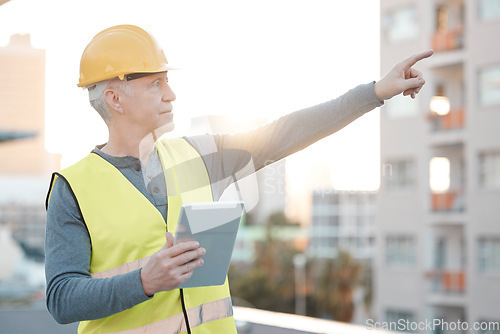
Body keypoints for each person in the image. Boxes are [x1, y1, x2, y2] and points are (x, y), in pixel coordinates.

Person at [45, 24, 433, 334]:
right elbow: (62, 298)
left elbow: (284, 134)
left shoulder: (199, 155)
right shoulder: (73, 188)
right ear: (115, 99)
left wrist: (376, 92)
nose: (172, 94)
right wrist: (144, 280)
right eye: (155, 84)